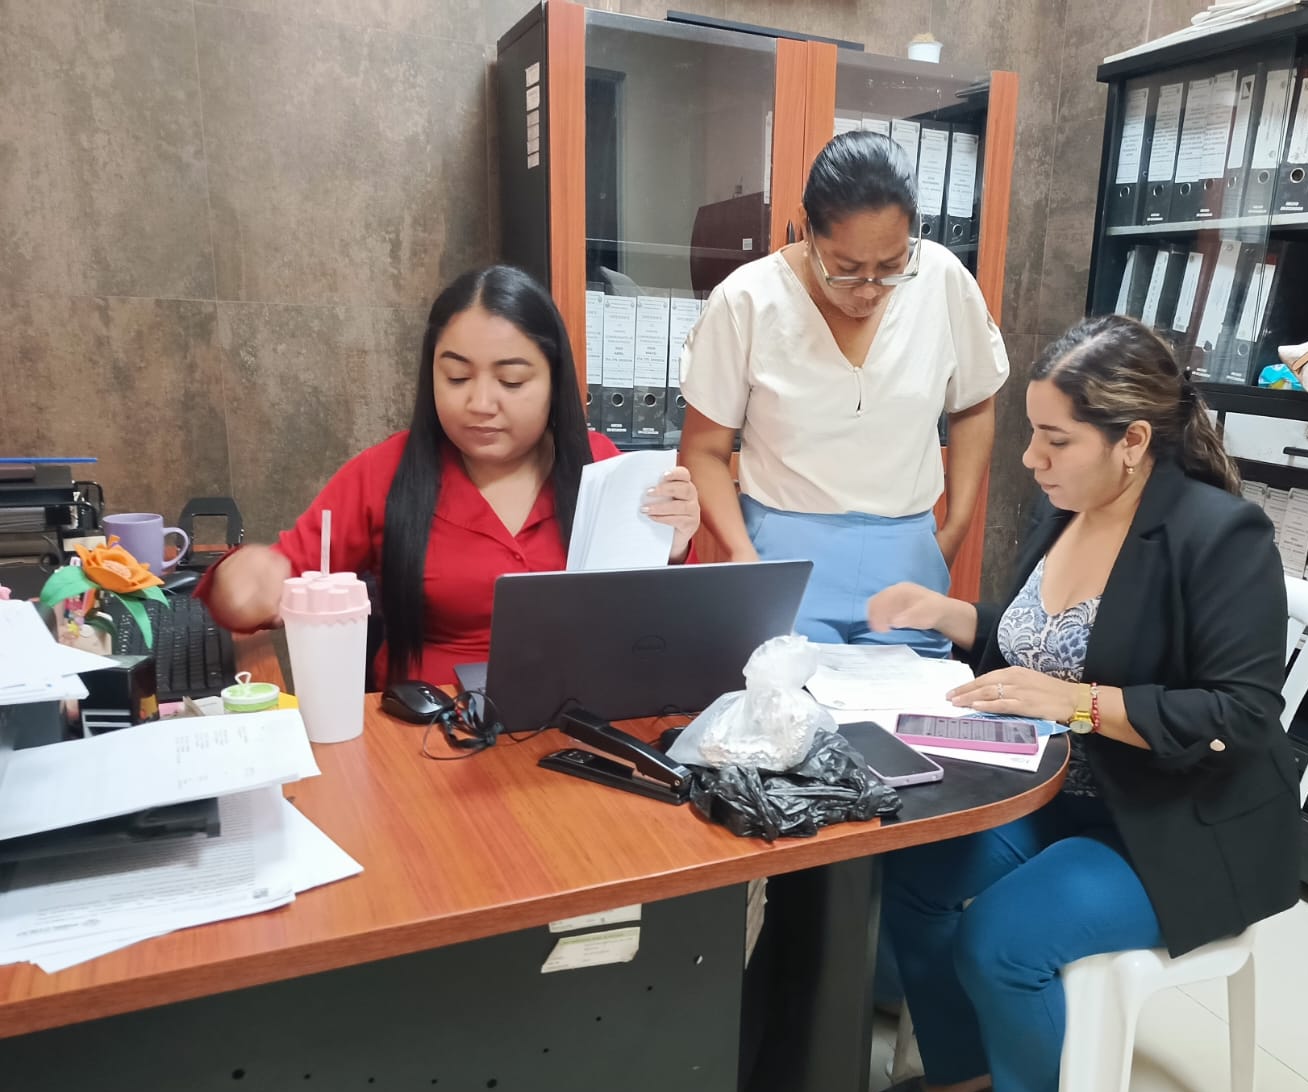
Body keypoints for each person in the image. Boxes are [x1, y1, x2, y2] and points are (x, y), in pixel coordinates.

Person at [865, 315, 1301, 1092]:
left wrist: (1078, 705)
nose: (1032, 458)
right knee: (911, 874)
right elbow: (1047, 642)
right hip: (1061, 789)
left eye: (1055, 439)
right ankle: (966, 1065)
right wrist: (954, 616)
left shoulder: (1221, 536)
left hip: (1177, 821)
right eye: (1034, 433)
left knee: (1002, 937)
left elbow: (1242, 716)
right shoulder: (1068, 507)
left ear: (1132, 441)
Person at [201, 265, 700, 688]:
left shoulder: (602, 466)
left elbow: (657, 624)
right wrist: (245, 581)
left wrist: (672, 548)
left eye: (511, 381)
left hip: (572, 718)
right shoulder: (385, 473)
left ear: (554, 380)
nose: (480, 403)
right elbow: (275, 577)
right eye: (457, 377)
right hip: (425, 729)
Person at [677, 130, 1008, 659]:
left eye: (892, 267)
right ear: (808, 230)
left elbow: (973, 403)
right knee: (787, 704)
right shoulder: (748, 300)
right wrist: (741, 553)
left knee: (907, 705)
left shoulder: (943, 279)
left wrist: (954, 529)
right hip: (784, 555)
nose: (870, 290)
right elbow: (703, 451)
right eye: (847, 270)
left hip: (908, 556)